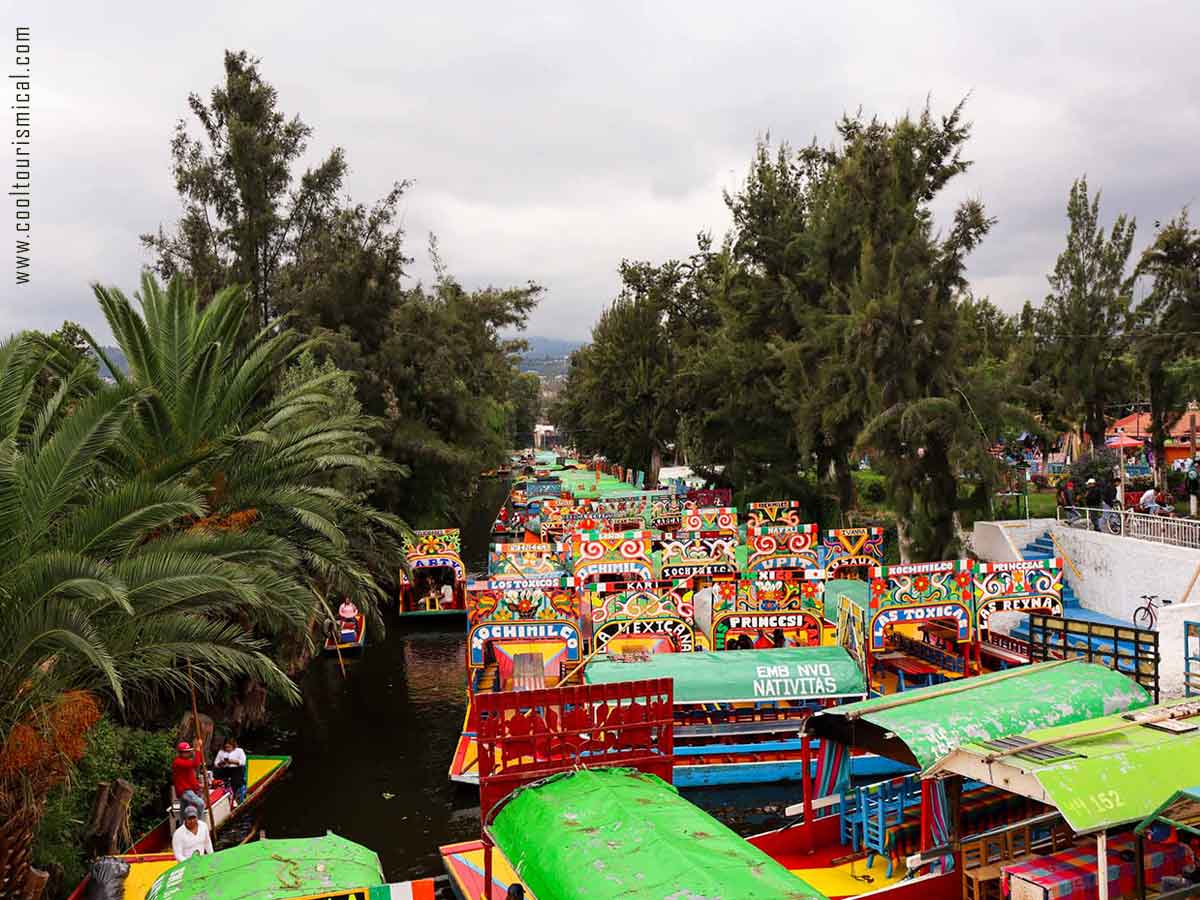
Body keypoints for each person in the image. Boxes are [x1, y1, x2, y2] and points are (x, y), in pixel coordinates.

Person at [172, 740, 206, 815]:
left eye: (188, 751)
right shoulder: (178, 762)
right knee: (200, 804)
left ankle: (182, 825)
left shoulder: (186, 761)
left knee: (184, 813)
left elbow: (189, 777)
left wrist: (198, 785)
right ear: (180, 753)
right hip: (185, 791)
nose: (188, 753)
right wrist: (197, 750)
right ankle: (199, 824)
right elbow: (196, 764)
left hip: (188, 790)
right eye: (186, 752)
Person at [214, 736, 247, 804]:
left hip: (236, 769)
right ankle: (224, 795)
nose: (227, 749)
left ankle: (235, 797)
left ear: (233, 746)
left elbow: (243, 762)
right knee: (220, 777)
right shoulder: (221, 752)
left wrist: (233, 762)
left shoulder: (239, 751)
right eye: (226, 747)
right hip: (225, 769)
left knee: (236, 781)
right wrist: (221, 763)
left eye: (229, 747)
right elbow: (216, 763)